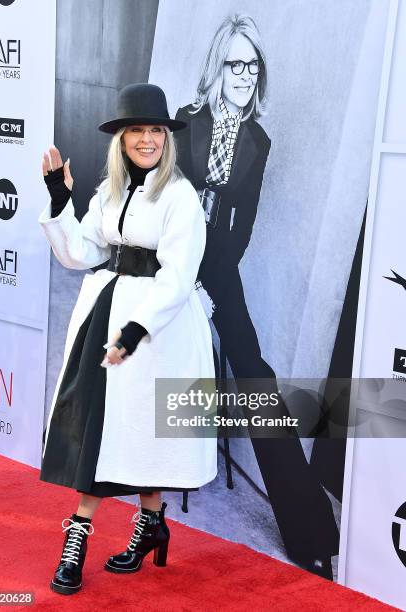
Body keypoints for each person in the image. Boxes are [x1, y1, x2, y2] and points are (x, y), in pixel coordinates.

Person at [174, 14, 339, 578]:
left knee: (253, 369)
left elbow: (239, 230)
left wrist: (209, 288)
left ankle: (309, 528)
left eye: (253, 65)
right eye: (235, 63)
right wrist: (178, 278)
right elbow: (160, 202)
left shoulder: (257, 140)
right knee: (121, 326)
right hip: (169, 254)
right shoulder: (184, 123)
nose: (244, 74)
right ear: (217, 67)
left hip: (218, 265)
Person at [38, 83, 217, 595]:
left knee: (139, 432)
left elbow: (179, 276)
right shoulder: (110, 191)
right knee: (99, 425)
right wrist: (59, 198)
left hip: (156, 327)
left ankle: (104, 531)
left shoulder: (180, 196)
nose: (146, 139)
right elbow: (79, 252)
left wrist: (135, 330)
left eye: (154, 130)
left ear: (166, 137)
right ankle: (131, 526)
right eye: (135, 130)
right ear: (120, 138)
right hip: (104, 312)